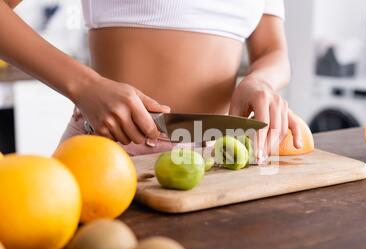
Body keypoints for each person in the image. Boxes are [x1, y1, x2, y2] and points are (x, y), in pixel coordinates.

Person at [0, 0, 303, 161]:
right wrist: (84, 85)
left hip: (219, 157)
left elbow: (272, 51)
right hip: (109, 153)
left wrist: (260, 80)